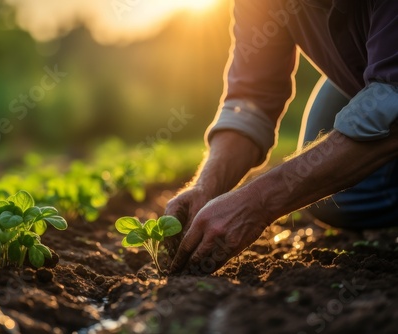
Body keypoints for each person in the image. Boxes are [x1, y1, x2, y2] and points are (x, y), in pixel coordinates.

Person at [166, 0, 398, 275]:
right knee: (343, 200)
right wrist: (207, 185)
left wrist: (259, 202)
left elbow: (391, 105)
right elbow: (251, 100)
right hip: (380, 72)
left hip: (390, 84)